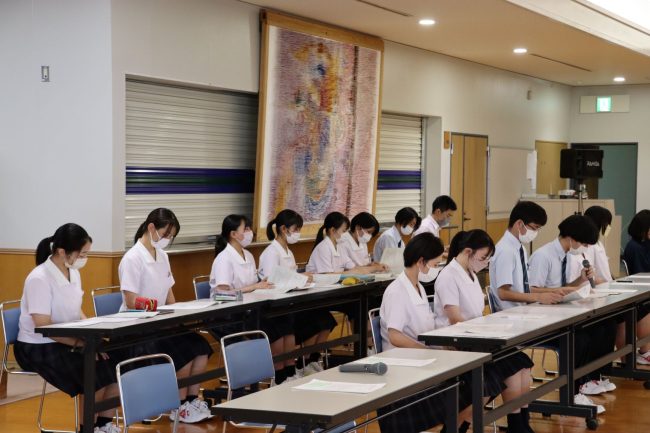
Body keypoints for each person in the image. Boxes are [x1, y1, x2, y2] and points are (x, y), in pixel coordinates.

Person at [15, 224, 120, 433]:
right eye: (82, 254)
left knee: (114, 362)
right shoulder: (39, 278)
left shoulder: (73, 272)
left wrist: (92, 333)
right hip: (38, 346)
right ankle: (87, 428)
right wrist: (81, 343)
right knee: (93, 372)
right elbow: (43, 325)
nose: (84, 258)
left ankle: (103, 424)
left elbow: (76, 308)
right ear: (62, 252)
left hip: (66, 338)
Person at [435, 229, 535, 433]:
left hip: (477, 339)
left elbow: (477, 313)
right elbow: (455, 319)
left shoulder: (470, 273)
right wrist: (484, 329)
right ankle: (457, 427)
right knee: (497, 377)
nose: (486, 263)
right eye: (483, 258)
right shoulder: (448, 276)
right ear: (468, 252)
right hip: (457, 343)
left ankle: (520, 425)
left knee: (522, 364)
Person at [119, 208, 213, 424]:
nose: (167, 240)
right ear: (151, 227)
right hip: (138, 327)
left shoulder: (162, 255)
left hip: (161, 322)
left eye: (171, 236)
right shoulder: (132, 258)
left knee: (201, 347)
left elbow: (169, 293)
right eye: (165, 234)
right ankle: (177, 406)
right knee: (183, 354)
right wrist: (154, 306)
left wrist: (178, 313)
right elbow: (131, 300)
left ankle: (190, 400)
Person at [527, 214, 615, 410]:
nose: (584, 248)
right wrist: (565, 290)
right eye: (583, 243)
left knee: (604, 326)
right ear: (572, 238)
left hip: (560, 313)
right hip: (541, 318)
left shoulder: (565, 255)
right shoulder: (543, 256)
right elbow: (532, 290)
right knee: (579, 338)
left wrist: (580, 280)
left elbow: (563, 287)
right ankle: (572, 393)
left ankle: (589, 378)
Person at [378, 232, 460, 432]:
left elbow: (426, 327)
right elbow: (395, 336)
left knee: (470, 382)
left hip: (421, 359)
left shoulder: (418, 287)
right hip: (404, 365)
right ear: (421, 262)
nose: (436, 269)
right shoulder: (397, 291)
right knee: (462, 389)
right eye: (435, 264)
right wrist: (428, 351)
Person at [210, 214, 296, 382]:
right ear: (233, 234)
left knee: (285, 322)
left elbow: (253, 284)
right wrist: (253, 287)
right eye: (246, 229)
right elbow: (222, 295)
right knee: (274, 328)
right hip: (228, 315)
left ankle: (289, 372)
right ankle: (278, 376)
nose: (250, 232)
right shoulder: (223, 258)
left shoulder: (248, 255)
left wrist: (263, 282)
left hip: (250, 309)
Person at [258, 209, 309, 382]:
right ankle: (279, 377)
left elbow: (290, 275)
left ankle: (290, 371)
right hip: (270, 306)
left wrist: (301, 279)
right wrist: (297, 279)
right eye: (295, 229)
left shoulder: (288, 251)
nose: (297, 233)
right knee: (281, 335)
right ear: (283, 229)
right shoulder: (271, 252)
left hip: (286, 303)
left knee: (290, 334)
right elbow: (271, 281)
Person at [488, 201, 563, 311]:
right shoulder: (505, 250)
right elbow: (503, 293)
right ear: (519, 224)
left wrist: (552, 292)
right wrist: (538, 297)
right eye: (534, 228)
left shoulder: (520, 248)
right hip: (509, 314)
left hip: (523, 310)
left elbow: (524, 288)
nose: (536, 233)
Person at [622, 210, 650, 364]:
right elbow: (642, 273)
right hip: (639, 291)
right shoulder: (635, 247)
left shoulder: (645, 244)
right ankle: (646, 350)